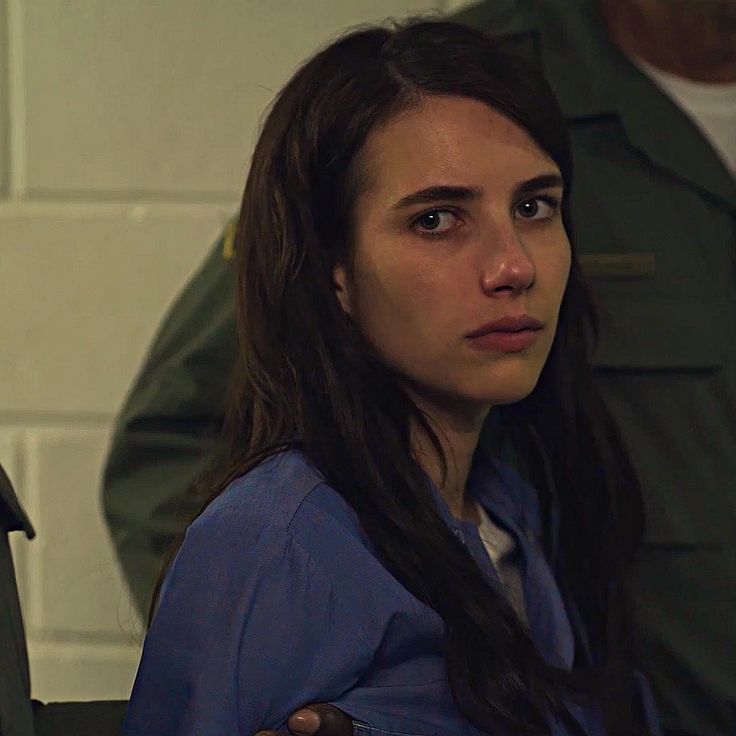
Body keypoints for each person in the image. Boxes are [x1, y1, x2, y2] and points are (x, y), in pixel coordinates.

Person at [103, 1, 736, 734]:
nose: (513, 266)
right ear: (333, 267)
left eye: (535, 206)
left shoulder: (518, 519)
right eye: (436, 219)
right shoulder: (278, 541)